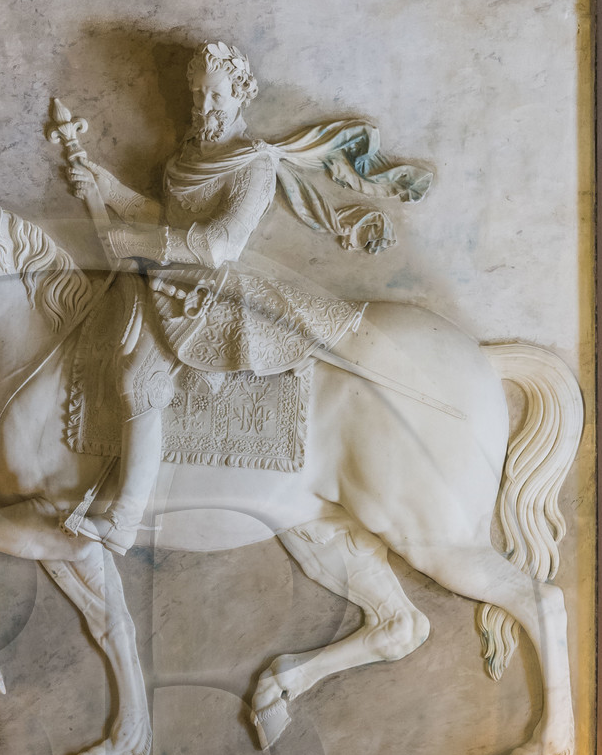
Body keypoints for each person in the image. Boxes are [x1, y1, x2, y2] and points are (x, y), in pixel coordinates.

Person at [55, 41, 433, 549]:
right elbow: (164, 219)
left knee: (138, 378)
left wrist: (138, 242)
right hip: (168, 278)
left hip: (214, 290)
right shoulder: (186, 157)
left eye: (215, 97)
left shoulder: (252, 164)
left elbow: (220, 245)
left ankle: (124, 522)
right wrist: (106, 187)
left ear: (239, 96)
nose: (204, 109)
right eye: (197, 98)